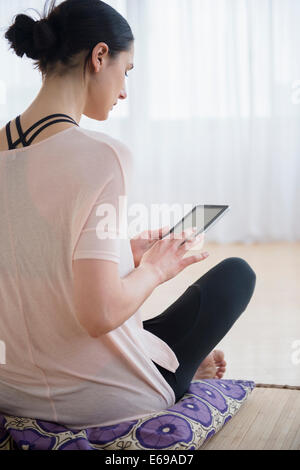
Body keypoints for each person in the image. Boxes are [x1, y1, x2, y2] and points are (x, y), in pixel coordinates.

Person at [0, 0, 256, 429]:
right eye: (127, 71)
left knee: (138, 324)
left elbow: (32, 258)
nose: (123, 91)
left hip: (11, 385)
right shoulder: (103, 155)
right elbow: (98, 313)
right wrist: (158, 267)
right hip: (100, 402)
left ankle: (157, 347)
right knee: (236, 274)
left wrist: (125, 251)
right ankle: (177, 369)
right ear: (100, 57)